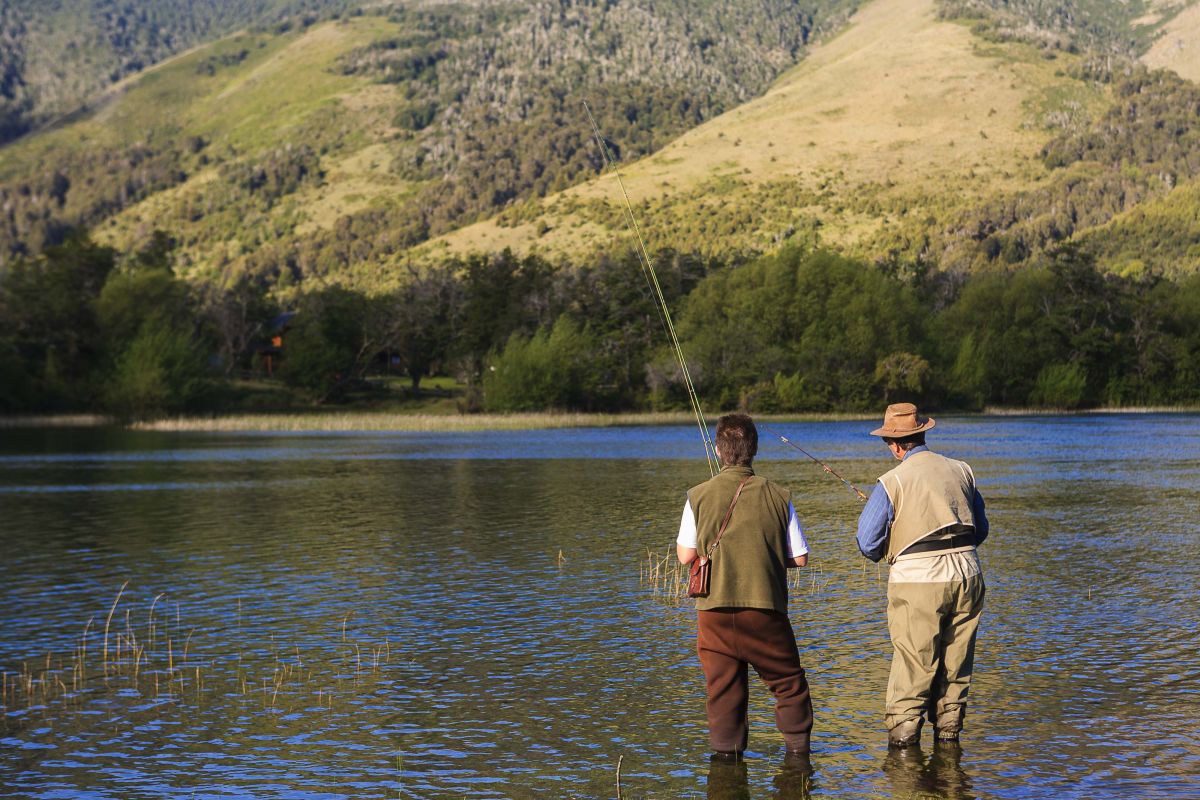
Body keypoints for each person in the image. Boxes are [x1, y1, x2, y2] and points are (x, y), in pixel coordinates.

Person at [676, 413, 815, 760]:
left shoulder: (698, 495)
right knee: (789, 686)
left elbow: (685, 556)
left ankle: (726, 766)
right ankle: (798, 762)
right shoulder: (779, 495)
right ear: (753, 450)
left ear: (720, 451)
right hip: (764, 611)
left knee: (722, 692)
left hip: (713, 614)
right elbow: (800, 559)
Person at [856, 403, 989, 748]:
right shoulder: (962, 470)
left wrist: (893, 541)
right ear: (923, 433)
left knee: (914, 663)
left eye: (888, 442)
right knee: (956, 663)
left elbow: (868, 544)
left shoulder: (892, 481)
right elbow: (980, 529)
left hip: (919, 580)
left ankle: (904, 744)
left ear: (896, 444)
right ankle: (948, 737)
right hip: (968, 573)